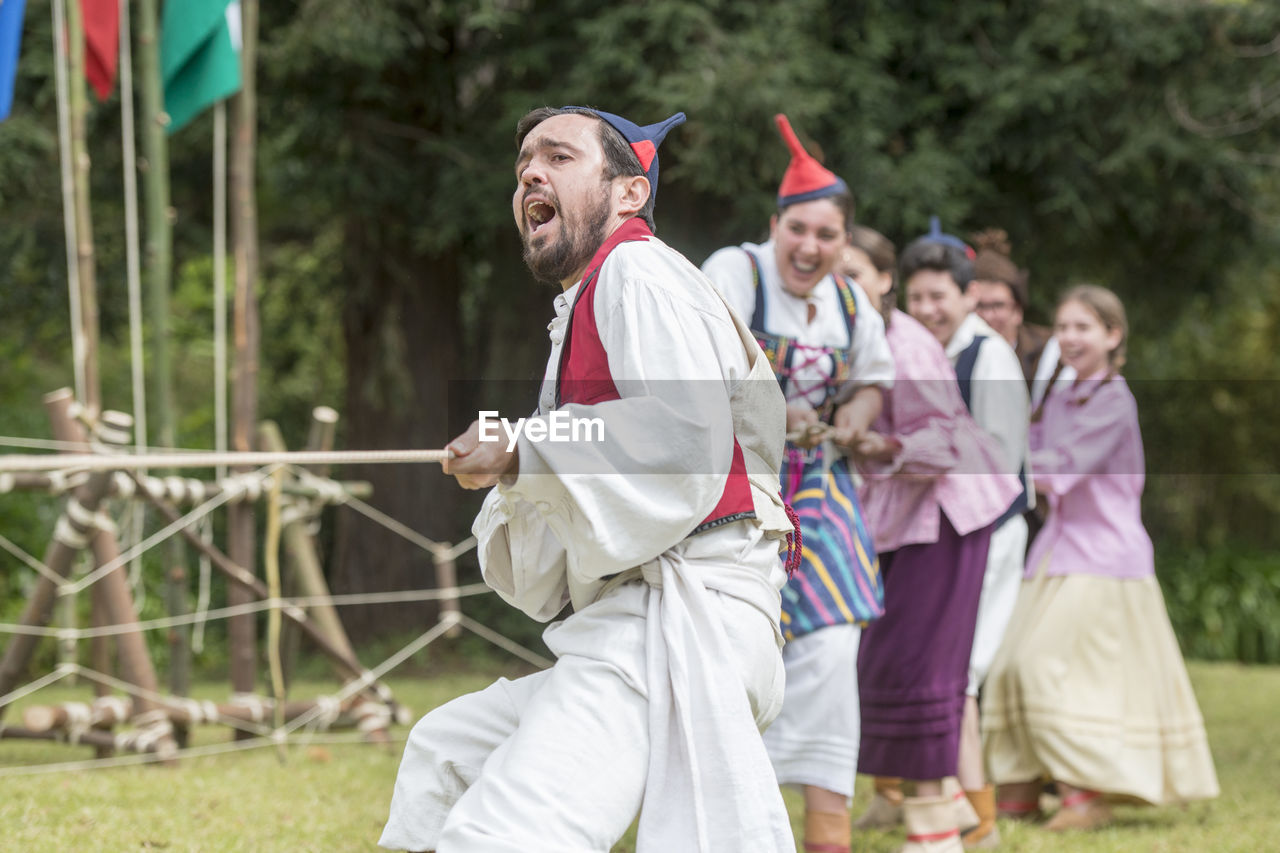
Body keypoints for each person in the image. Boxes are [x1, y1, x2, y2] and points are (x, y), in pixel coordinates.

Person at [379, 105, 799, 853]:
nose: (531, 173)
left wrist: (523, 449)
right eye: (523, 165)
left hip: (686, 610)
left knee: (502, 835)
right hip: (642, 618)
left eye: (560, 158)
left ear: (629, 192)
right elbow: (560, 540)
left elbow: (681, 434)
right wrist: (521, 465)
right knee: (447, 754)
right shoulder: (588, 303)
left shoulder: (637, 270)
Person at [702, 115, 893, 853]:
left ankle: (827, 826)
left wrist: (849, 420)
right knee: (732, 641)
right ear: (773, 224)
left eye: (828, 235)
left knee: (838, 635)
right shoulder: (734, 272)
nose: (811, 247)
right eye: (799, 230)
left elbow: (873, 382)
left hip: (822, 487)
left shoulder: (851, 304)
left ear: (845, 242)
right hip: (735, 484)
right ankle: (732, 815)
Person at [982, 285, 1219, 831]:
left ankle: (1084, 795)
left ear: (1113, 335)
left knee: (1041, 667)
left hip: (1104, 556)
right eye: (1062, 327)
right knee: (1009, 665)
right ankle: (1018, 788)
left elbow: (1060, 468)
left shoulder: (1114, 399)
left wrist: (996, 458)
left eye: (1082, 327)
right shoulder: (1064, 394)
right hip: (1056, 554)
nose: (1068, 338)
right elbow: (1025, 442)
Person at [841, 226, 1019, 852]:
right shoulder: (849, 338)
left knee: (919, 671)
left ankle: (940, 831)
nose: (842, 284)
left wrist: (876, 444)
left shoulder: (903, 341)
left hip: (946, 520)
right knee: (897, 668)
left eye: (855, 272)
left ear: (883, 280)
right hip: (900, 522)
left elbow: (942, 443)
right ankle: (957, 818)